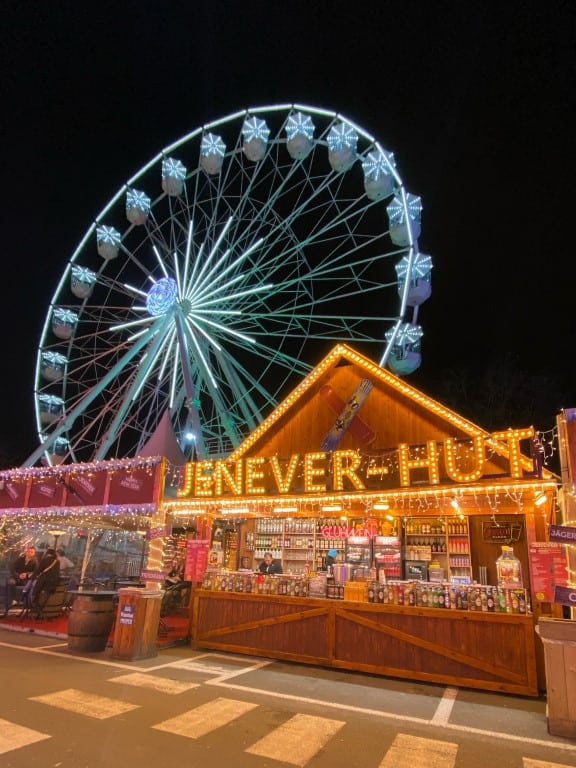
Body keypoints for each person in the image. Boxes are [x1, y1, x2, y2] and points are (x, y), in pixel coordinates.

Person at [4, 546, 39, 613]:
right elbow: (13, 568)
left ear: (34, 553)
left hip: (26, 579)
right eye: (28, 551)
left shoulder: (35, 562)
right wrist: (18, 575)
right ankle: (13, 600)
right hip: (16, 577)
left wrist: (26, 574)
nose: (29, 553)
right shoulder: (20, 559)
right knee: (11, 582)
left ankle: (23, 601)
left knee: (30, 585)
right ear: (26, 552)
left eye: (31, 552)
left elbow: (35, 572)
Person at [28, 548, 61, 612]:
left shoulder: (44, 560)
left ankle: (32, 603)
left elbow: (38, 570)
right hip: (53, 585)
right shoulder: (57, 561)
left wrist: (31, 577)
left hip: (44, 584)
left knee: (32, 587)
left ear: (47, 554)